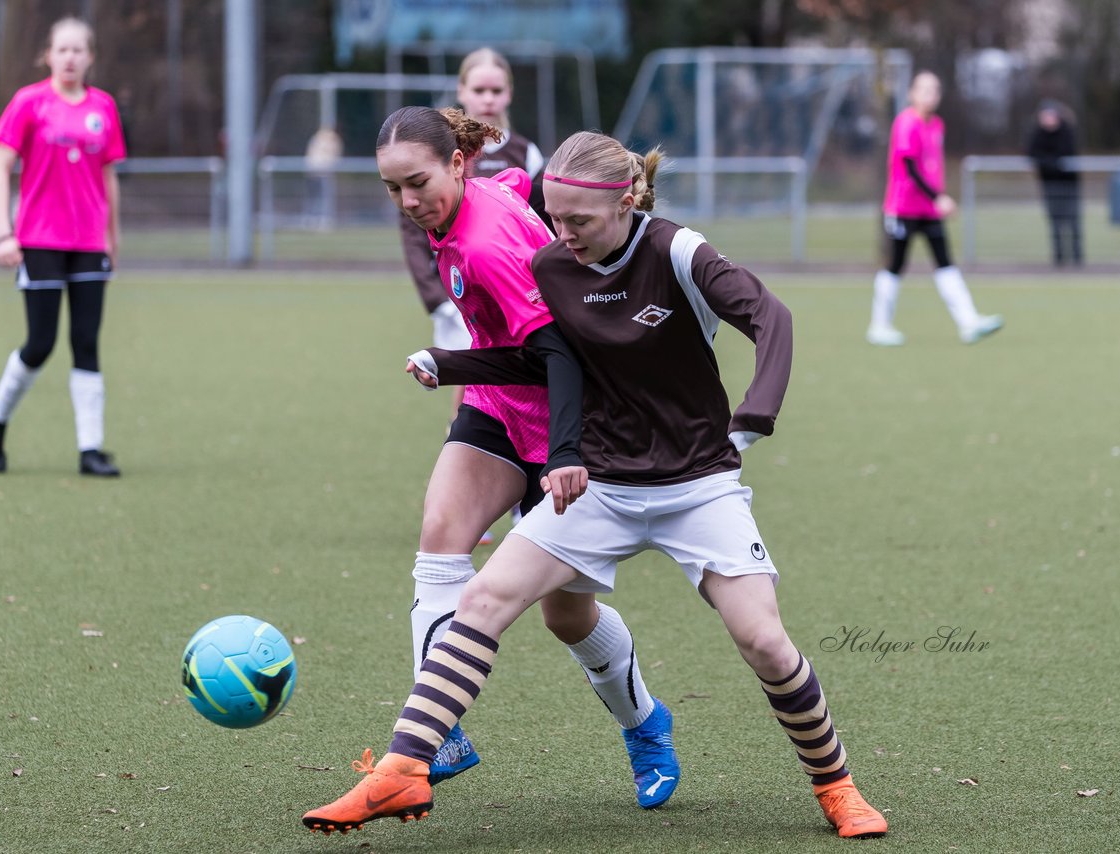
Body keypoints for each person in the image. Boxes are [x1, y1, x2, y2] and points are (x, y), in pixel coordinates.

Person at [301, 131, 888, 840]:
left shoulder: (677, 251)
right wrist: (449, 365)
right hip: (602, 486)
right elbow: (540, 361)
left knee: (763, 640)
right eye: (555, 216)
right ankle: (402, 770)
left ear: (628, 198)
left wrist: (753, 418)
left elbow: (772, 318)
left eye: (579, 219)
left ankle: (838, 788)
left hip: (698, 486)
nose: (564, 234)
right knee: (483, 598)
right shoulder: (552, 265)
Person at [354, 106, 679, 804]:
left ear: (458, 165)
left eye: (418, 183)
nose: (409, 202)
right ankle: (440, 735)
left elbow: (557, 353)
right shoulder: (485, 195)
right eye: (393, 189)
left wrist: (560, 449)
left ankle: (647, 724)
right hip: (502, 405)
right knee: (440, 542)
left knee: (566, 617)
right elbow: (522, 208)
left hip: (571, 421)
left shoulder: (485, 247)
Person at [0, 16, 125, 477]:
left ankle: (90, 449)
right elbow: (0, 168)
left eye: (78, 50)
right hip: (39, 238)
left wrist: (112, 236)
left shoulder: (103, 107)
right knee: (40, 343)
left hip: (88, 241)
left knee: (86, 341)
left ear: (91, 57)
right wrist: (4, 232)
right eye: (62, 50)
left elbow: (107, 176)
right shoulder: (29, 103)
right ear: (48, 55)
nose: (70, 58)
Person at [398, 47, 548, 425]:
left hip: (512, 290)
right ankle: (466, 444)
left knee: (517, 377)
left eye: (495, 91)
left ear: (509, 94)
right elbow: (414, 231)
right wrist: (436, 299)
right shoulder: (445, 150)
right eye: (478, 90)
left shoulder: (525, 152)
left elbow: (540, 220)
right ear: (462, 92)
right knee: (469, 382)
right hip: (459, 291)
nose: (487, 98)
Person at [867, 71, 1002, 347]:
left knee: (945, 263)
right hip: (903, 208)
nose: (931, 95)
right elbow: (910, 167)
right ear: (912, 94)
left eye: (936, 90)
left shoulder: (937, 124)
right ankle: (879, 325)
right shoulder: (907, 123)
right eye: (925, 90)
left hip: (927, 210)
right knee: (895, 265)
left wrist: (935, 198)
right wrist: (938, 197)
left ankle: (969, 322)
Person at [1026, 100, 1082, 267]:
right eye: (1045, 116)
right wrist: (1051, 163)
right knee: (1055, 222)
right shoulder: (1037, 134)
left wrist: (1050, 162)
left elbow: (1067, 153)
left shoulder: (1067, 132)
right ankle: (1059, 258)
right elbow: (1033, 154)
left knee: (1073, 221)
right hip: (1049, 184)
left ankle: (1078, 259)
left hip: (1069, 184)